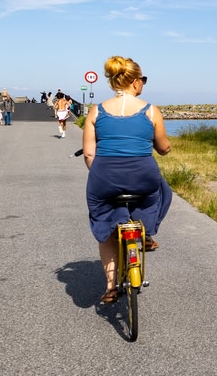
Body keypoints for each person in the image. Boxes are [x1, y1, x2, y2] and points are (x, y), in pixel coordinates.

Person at [82, 55, 172, 304]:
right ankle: (147, 232)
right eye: (143, 79)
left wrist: (100, 174)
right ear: (135, 82)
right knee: (161, 191)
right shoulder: (150, 110)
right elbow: (163, 148)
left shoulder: (97, 111)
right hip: (143, 175)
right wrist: (164, 148)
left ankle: (111, 286)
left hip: (104, 176)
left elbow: (89, 154)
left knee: (106, 220)